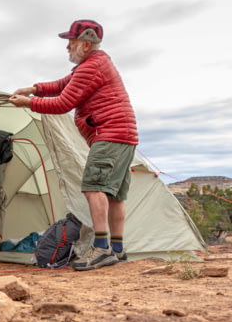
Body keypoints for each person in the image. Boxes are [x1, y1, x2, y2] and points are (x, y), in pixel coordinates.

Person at [9, 19, 138, 271]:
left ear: (86, 44)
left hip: (108, 134)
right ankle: (118, 250)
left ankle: (101, 249)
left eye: (72, 42)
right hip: (124, 135)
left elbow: (62, 103)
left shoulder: (92, 67)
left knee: (93, 187)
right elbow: (61, 85)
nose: (68, 46)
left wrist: (27, 103)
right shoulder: (93, 64)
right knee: (115, 196)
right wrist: (33, 88)